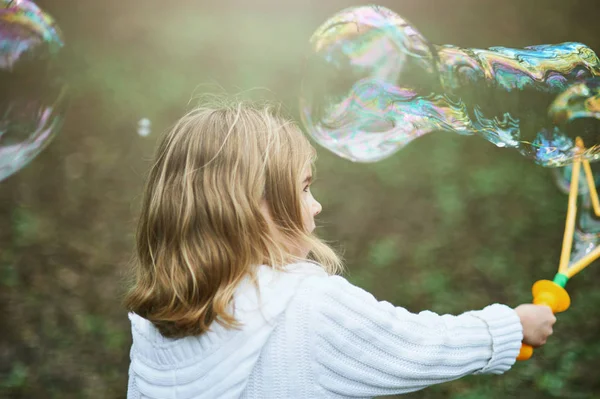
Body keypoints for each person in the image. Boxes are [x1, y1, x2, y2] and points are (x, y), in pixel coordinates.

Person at [124, 100, 556, 399]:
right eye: (304, 187)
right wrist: (511, 327)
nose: (315, 205)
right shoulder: (307, 307)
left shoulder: (158, 322)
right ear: (253, 208)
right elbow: (421, 346)